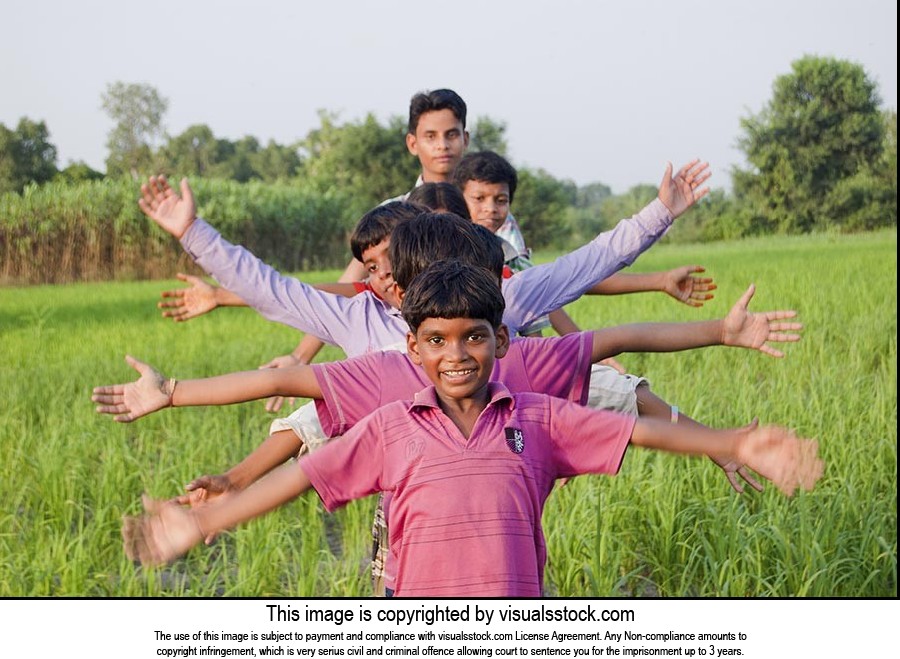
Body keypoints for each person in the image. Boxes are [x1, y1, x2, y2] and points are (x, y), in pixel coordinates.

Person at [121, 261, 822, 597]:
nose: (457, 355)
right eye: (439, 340)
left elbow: (640, 431)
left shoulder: (539, 418)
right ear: (415, 348)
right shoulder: (391, 426)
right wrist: (201, 525)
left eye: (474, 337)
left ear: (502, 342)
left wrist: (730, 441)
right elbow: (302, 475)